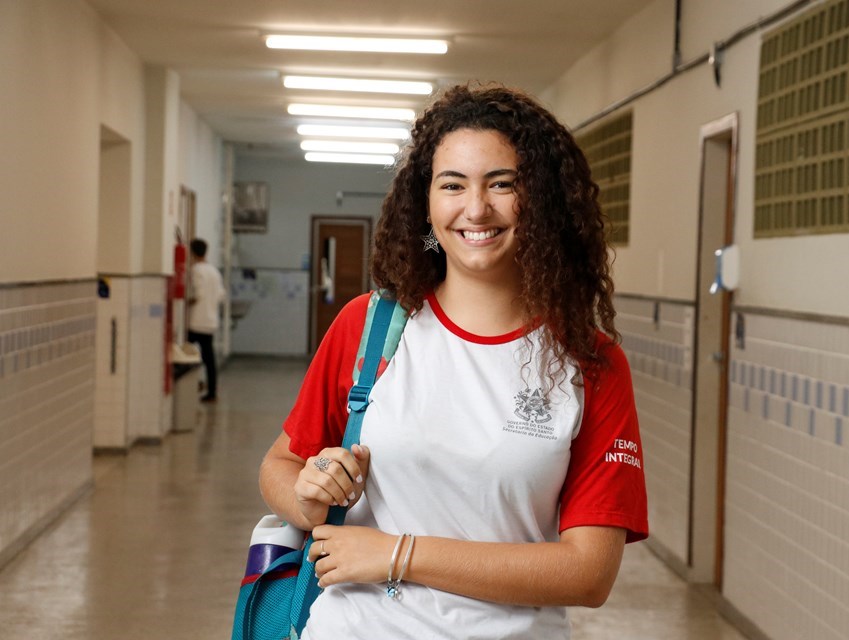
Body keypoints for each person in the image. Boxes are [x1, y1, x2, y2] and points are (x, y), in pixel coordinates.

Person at [259, 83, 648, 639]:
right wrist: (308, 496)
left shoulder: (589, 364)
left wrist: (398, 555)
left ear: (541, 198)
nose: (475, 208)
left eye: (503, 184)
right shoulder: (371, 329)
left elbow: (588, 573)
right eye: (452, 185)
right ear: (426, 201)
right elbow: (279, 466)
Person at [187, 238, 225, 403]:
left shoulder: (196, 270)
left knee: (186, 354)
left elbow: (198, 294)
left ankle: (192, 384)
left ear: (193, 252)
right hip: (210, 320)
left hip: (196, 321)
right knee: (209, 358)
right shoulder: (214, 271)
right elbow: (220, 295)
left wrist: (188, 302)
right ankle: (211, 391)